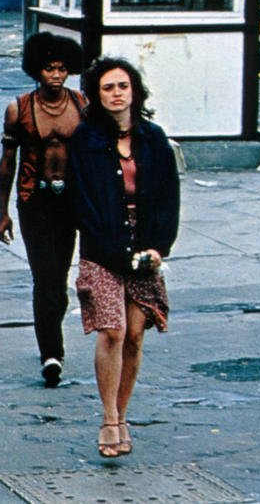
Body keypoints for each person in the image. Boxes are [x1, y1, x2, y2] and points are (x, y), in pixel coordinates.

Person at [69, 57, 179, 458]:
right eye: (107, 88)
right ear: (97, 96)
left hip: (145, 245)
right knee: (111, 331)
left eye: (122, 86)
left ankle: (123, 412)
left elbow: (169, 197)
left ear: (134, 91)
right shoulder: (85, 139)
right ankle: (108, 418)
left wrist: (157, 246)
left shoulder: (154, 138)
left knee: (134, 333)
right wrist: (110, 247)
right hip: (102, 246)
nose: (116, 94)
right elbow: (82, 200)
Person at [0, 32, 86, 387]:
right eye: (49, 68)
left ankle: (50, 337)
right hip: (34, 200)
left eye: (62, 69)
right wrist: (2, 211)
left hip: (70, 202)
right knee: (44, 277)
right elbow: (7, 163)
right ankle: (52, 352)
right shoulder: (18, 108)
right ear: (37, 70)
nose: (56, 75)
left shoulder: (82, 106)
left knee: (59, 278)